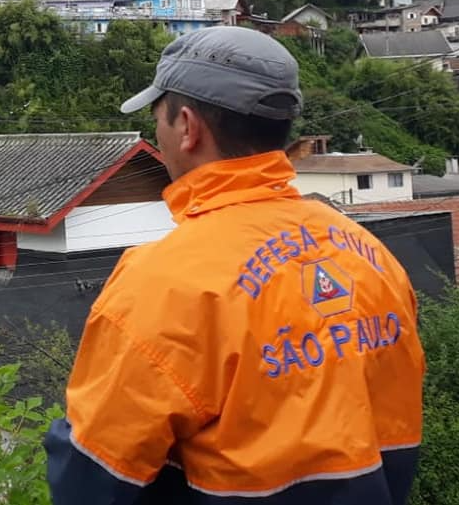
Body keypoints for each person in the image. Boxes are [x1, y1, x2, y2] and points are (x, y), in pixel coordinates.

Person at [43, 26, 424, 505]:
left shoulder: (161, 284)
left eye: (156, 119)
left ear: (187, 127)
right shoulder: (367, 253)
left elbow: (92, 482)